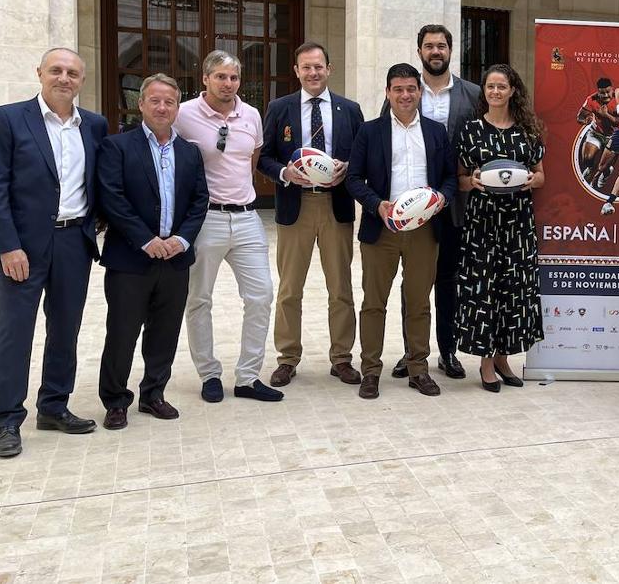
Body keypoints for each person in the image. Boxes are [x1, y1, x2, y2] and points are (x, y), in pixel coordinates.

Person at [0, 48, 108, 457]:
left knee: (65, 328)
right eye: (56, 70)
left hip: (74, 242)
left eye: (72, 72)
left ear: (82, 80)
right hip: (24, 246)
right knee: (14, 332)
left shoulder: (95, 125)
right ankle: (8, 419)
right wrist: (6, 246)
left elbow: (99, 180)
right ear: (40, 73)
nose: (64, 78)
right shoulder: (8, 118)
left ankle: (54, 405)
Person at [97, 73, 209, 430]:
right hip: (131, 258)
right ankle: (115, 400)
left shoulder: (190, 152)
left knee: (164, 331)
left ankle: (153, 394)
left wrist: (183, 239)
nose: (162, 107)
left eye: (170, 102)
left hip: (175, 258)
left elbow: (199, 200)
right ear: (141, 104)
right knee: (122, 332)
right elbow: (111, 198)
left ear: (178, 107)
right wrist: (146, 240)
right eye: (155, 100)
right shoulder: (117, 147)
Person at [175, 51, 283, 404]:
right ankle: (208, 373)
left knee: (261, 296)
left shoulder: (250, 114)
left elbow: (250, 161)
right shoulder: (184, 115)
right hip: (205, 220)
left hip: (248, 218)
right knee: (199, 299)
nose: (228, 84)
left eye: (233, 77)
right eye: (220, 77)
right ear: (205, 78)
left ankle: (249, 376)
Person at [347, 63, 458, 399]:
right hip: (381, 229)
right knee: (373, 303)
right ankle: (370, 371)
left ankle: (418, 369)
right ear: (388, 93)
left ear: (420, 92)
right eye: (398, 89)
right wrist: (376, 204)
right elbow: (353, 179)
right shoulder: (370, 131)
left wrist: (441, 198)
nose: (406, 95)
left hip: (424, 229)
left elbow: (451, 178)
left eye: (411, 89)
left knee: (419, 302)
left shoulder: (437, 133)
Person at [258, 42, 364, 388]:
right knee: (290, 289)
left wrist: (348, 169)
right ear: (297, 71)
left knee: (341, 288)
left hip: (336, 206)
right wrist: (286, 173)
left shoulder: (350, 110)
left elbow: (362, 159)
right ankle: (287, 358)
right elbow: (265, 157)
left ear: (329, 69)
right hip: (295, 207)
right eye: (306, 67)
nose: (313, 73)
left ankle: (342, 358)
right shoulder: (280, 108)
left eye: (318, 66)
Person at [387, 25, 481, 382]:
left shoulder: (472, 94)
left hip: (454, 203)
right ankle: (413, 353)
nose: (435, 51)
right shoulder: (407, 92)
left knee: (448, 280)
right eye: (429, 46)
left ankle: (448, 350)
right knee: (412, 282)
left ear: (451, 50)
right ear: (420, 52)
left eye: (441, 45)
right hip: (411, 203)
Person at [454, 64, 546, 392]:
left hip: (517, 223)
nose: (495, 92)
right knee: (483, 292)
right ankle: (485, 363)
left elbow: (541, 175)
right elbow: (461, 179)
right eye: (490, 86)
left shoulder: (527, 131)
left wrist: (531, 180)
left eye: (501, 86)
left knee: (514, 291)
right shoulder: (471, 131)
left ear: (512, 91)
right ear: (485, 92)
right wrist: (473, 182)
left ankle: (505, 357)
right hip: (481, 222)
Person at [577, 76, 618, 189]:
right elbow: (579, 117)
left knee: (605, 167)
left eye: (608, 92)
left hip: (614, 136)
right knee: (587, 158)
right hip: (596, 133)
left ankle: (605, 173)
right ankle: (590, 168)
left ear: (612, 89)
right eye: (602, 93)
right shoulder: (591, 99)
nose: (605, 95)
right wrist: (584, 120)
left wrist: (606, 115)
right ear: (597, 91)